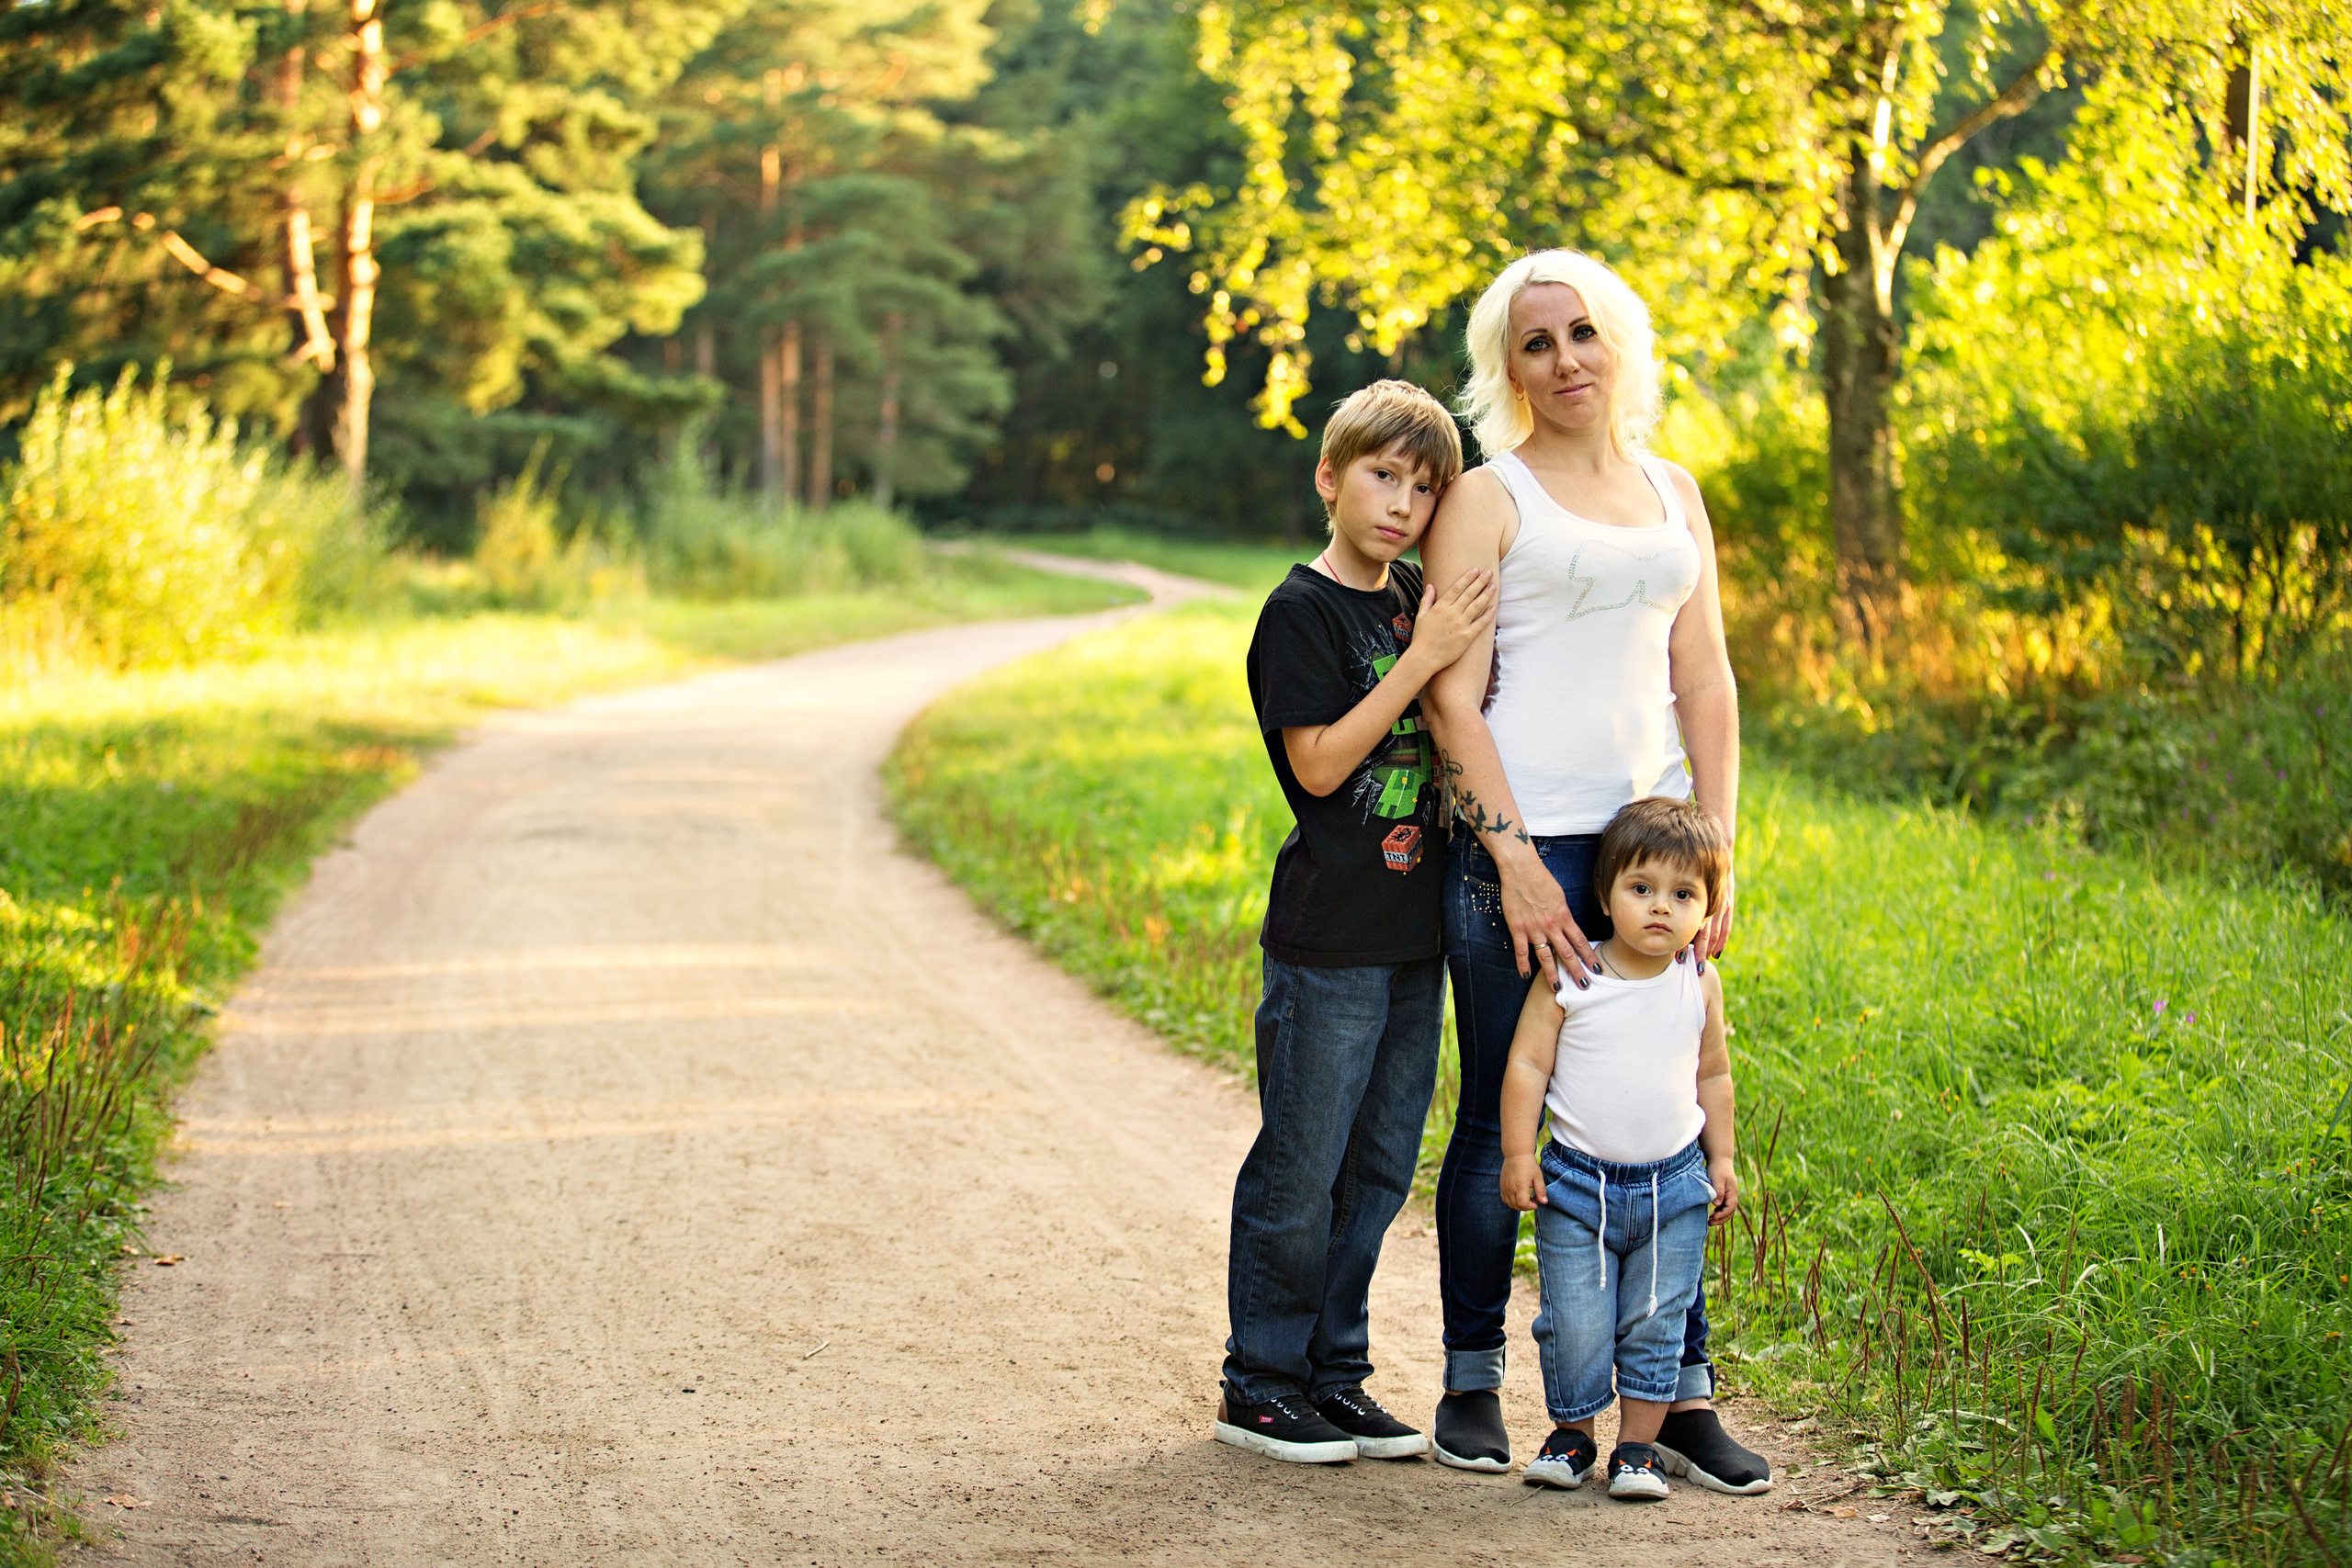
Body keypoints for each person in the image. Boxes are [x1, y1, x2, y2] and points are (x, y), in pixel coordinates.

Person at [1419, 249, 1770, 1492]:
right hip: (1522, 845)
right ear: (1505, 368)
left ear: (1618, 340)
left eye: (1582, 333)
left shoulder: (1676, 489)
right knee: (1500, 1112)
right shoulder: (1490, 493)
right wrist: (1514, 863)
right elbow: (1453, 700)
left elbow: (1708, 677)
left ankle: (1677, 1403)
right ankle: (1471, 1379)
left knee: (1668, 1119)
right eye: (1535, 342)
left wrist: (1713, 854)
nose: (1564, 359)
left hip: (1653, 860)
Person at [1217, 379, 1498, 1464]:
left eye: (1425, 489)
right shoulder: (1301, 611)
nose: (1402, 504)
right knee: (1301, 1166)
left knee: (1377, 1171)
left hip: (1412, 939)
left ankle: (1334, 1374)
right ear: (1330, 478)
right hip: (1328, 939)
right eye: (1383, 476)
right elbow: (1323, 763)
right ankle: (1260, 1381)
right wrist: (1422, 662)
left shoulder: (1414, 593)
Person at [1497, 797, 1761, 1500]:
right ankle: (1573, 1436)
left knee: (1656, 1318)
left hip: (1673, 1186)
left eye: (1683, 895)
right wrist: (1519, 1153)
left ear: (1706, 910)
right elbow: (1526, 1065)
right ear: (1607, 894)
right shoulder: (1572, 976)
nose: (1659, 908)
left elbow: (1714, 1073)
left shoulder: (1698, 980)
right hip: (1577, 1186)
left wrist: (1724, 1158)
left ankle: (1637, 1450)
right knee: (1575, 1318)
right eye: (1641, 888)